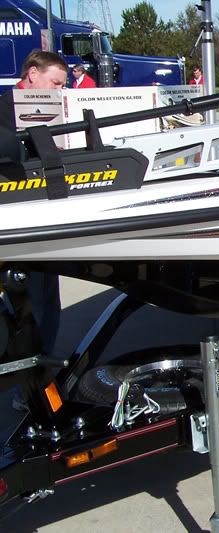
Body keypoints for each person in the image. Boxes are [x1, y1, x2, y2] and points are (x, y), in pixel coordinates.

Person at [0, 50, 67, 355]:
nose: (59, 91)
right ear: (32, 74)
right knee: (31, 302)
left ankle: (43, 363)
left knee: (47, 298)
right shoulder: (4, 109)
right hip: (20, 217)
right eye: (55, 83)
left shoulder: (52, 110)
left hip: (45, 211)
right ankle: (30, 372)